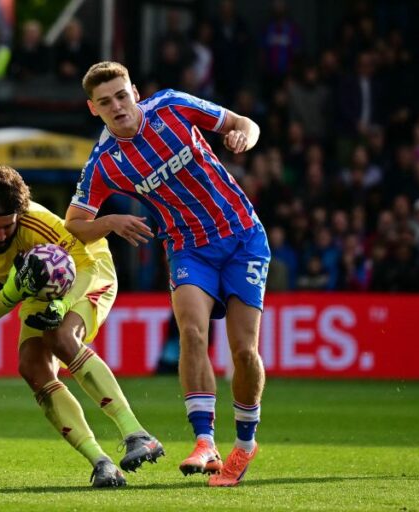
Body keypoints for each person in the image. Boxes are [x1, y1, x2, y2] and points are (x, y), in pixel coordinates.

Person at [65, 61, 269, 487]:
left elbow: (243, 123)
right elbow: (75, 223)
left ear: (135, 92)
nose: (117, 106)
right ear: (93, 108)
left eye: (122, 95)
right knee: (191, 332)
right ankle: (205, 441)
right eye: (106, 102)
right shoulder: (104, 162)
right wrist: (110, 222)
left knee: (243, 351)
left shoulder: (173, 106)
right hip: (187, 246)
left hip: (242, 236)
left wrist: (243, 137)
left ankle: (245, 443)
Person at [0, 166, 163, 488]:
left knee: (61, 337)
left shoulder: (37, 222)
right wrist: (13, 291)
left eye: (8, 226)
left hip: (88, 273)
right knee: (32, 368)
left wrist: (62, 305)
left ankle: (137, 434)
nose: (1, 235)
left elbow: (86, 267)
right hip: (36, 288)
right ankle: (102, 463)